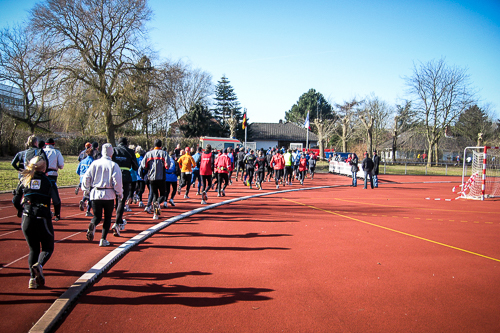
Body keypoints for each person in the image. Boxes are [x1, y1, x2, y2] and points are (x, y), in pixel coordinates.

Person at [12, 155, 59, 289]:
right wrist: (57, 214)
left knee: (33, 248)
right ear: (45, 168)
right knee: (48, 247)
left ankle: (32, 279)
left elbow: (15, 200)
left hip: (27, 217)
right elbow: (56, 201)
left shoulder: (24, 180)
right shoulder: (49, 182)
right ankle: (39, 265)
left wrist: (20, 209)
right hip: (42, 216)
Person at [82, 143, 123, 245]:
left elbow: (87, 177)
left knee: (97, 216)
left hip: (95, 193)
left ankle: (93, 224)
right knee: (108, 217)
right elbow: (117, 181)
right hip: (108, 194)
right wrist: (119, 193)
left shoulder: (94, 163)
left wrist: (86, 189)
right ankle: (103, 239)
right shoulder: (114, 165)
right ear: (111, 153)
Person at [112, 137, 138, 231]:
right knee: (121, 200)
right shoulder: (130, 151)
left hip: (114, 176)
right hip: (126, 177)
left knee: (113, 198)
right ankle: (118, 221)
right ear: (126, 144)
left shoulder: (114, 150)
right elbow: (135, 167)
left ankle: (117, 220)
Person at [140, 139, 170, 220]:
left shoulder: (148, 154)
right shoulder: (164, 153)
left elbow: (143, 165)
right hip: (161, 177)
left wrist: (149, 167)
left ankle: (155, 214)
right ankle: (157, 204)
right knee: (163, 195)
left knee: (155, 194)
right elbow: (168, 166)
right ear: (161, 146)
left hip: (151, 178)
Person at [43, 138, 64, 221]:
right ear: (53, 144)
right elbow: (61, 165)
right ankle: (57, 214)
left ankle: (46, 211)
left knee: (44, 194)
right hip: (52, 175)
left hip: (43, 174)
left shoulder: (42, 151)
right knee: (54, 193)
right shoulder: (56, 152)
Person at [76, 147, 94, 216]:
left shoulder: (82, 161)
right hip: (89, 179)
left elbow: (77, 171)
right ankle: (88, 210)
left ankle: (83, 200)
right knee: (90, 196)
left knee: (86, 193)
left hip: (82, 178)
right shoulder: (92, 162)